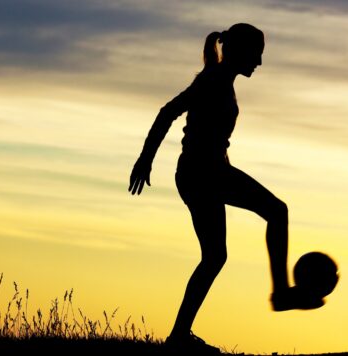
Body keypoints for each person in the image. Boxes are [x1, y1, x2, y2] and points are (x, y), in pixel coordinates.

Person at [128, 23, 323, 354]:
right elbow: (168, 113)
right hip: (203, 174)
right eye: (257, 54)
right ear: (240, 51)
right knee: (277, 211)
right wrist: (145, 159)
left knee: (216, 256)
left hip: (203, 173)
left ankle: (178, 336)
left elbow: (201, 130)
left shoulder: (219, 80)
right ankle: (280, 295)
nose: (259, 62)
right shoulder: (213, 80)